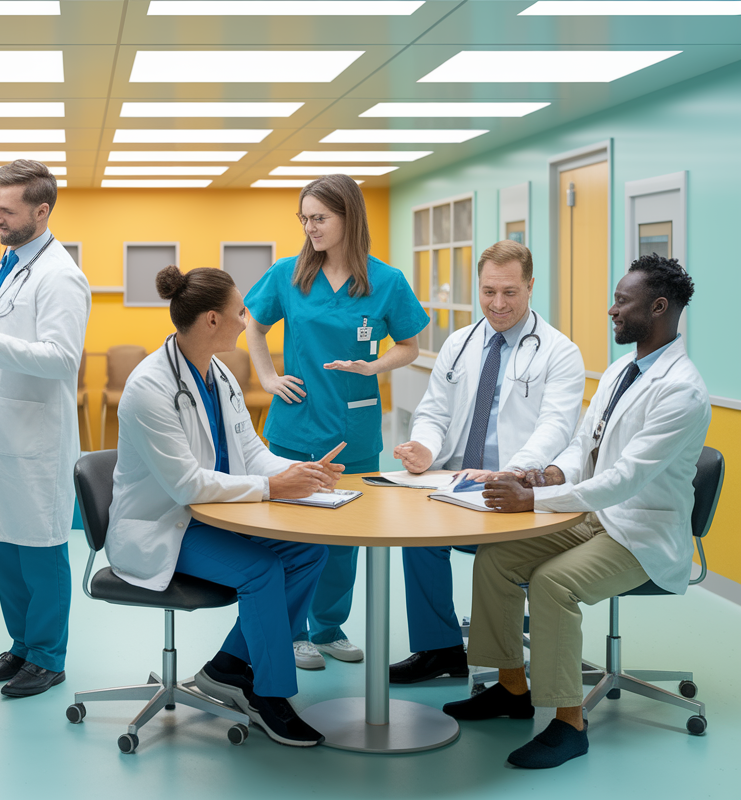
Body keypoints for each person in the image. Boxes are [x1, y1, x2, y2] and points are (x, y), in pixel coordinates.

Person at [442, 255, 709, 769]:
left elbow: (623, 479)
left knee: (552, 584)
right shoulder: (622, 369)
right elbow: (583, 443)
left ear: (658, 308)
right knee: (497, 557)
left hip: (640, 531)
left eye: (622, 302)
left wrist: (534, 499)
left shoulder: (682, 390)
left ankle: (569, 724)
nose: (612, 309)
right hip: (597, 516)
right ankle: (512, 690)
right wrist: (547, 474)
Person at [107, 265, 341, 747]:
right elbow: (187, 486)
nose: (246, 318)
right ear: (212, 319)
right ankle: (268, 696)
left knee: (308, 550)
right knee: (260, 570)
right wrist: (275, 489)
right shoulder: (149, 387)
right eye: (240, 311)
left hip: (211, 514)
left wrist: (302, 475)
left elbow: (249, 451)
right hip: (163, 524)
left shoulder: (218, 375)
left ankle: (228, 667)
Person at [244, 174, 429, 669]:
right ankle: (294, 631)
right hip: (295, 423)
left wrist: (375, 366)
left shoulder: (386, 281)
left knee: (346, 537)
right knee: (291, 534)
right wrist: (267, 378)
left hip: (355, 429)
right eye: (304, 219)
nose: (310, 228)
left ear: (349, 216)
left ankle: (329, 628)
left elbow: (410, 345)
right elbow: (253, 325)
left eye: (319, 218)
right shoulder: (288, 274)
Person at [389, 241, 584, 684]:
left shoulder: (560, 352)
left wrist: (507, 473)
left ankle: (506, 668)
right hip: (456, 482)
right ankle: (439, 649)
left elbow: (554, 428)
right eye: (488, 291)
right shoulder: (459, 344)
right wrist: (423, 446)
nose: (497, 304)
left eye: (510, 293)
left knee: (496, 557)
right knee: (416, 539)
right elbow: (434, 412)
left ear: (531, 286)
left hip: (518, 488)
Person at [0, 159, 90, 698]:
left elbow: (60, 357)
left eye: (7, 209)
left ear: (41, 210)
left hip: (36, 436)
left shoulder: (61, 275)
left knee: (40, 545)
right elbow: (4, 327)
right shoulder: (10, 263)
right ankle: (22, 647)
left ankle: (48, 657)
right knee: (5, 539)